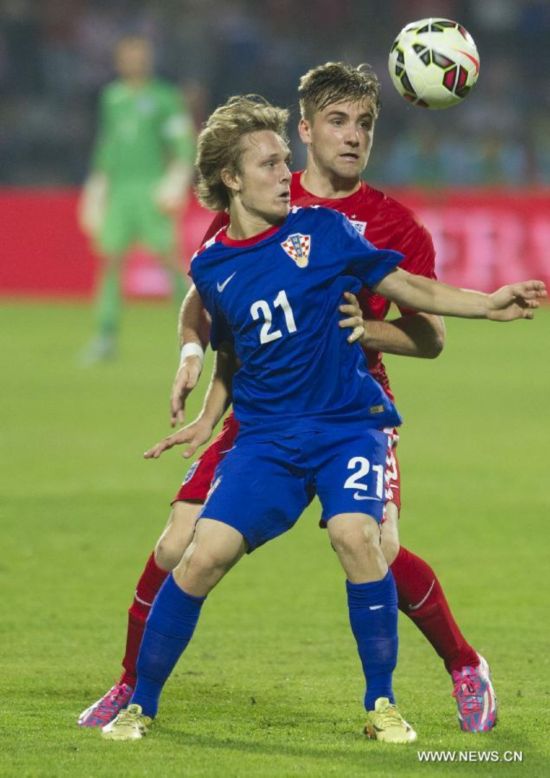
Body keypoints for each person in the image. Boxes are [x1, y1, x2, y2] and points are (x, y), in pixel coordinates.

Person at [100, 94, 544, 743]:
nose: (287, 174)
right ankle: (138, 700)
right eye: (271, 163)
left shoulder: (328, 232)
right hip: (267, 435)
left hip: (345, 422)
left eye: (286, 161)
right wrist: (205, 412)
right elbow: (229, 345)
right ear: (231, 177)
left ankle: (385, 702)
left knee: (361, 539)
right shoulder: (214, 263)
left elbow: (414, 296)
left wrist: (489, 303)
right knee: (192, 556)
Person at [78, 35, 195, 363]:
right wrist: (97, 186)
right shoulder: (112, 97)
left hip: (150, 187)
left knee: (170, 260)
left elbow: (183, 142)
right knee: (110, 260)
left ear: (149, 58)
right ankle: (105, 336)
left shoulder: (165, 97)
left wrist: (175, 180)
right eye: (128, 55)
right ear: (119, 59)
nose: (134, 61)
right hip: (119, 191)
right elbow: (108, 145)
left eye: (139, 55)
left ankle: (195, 330)